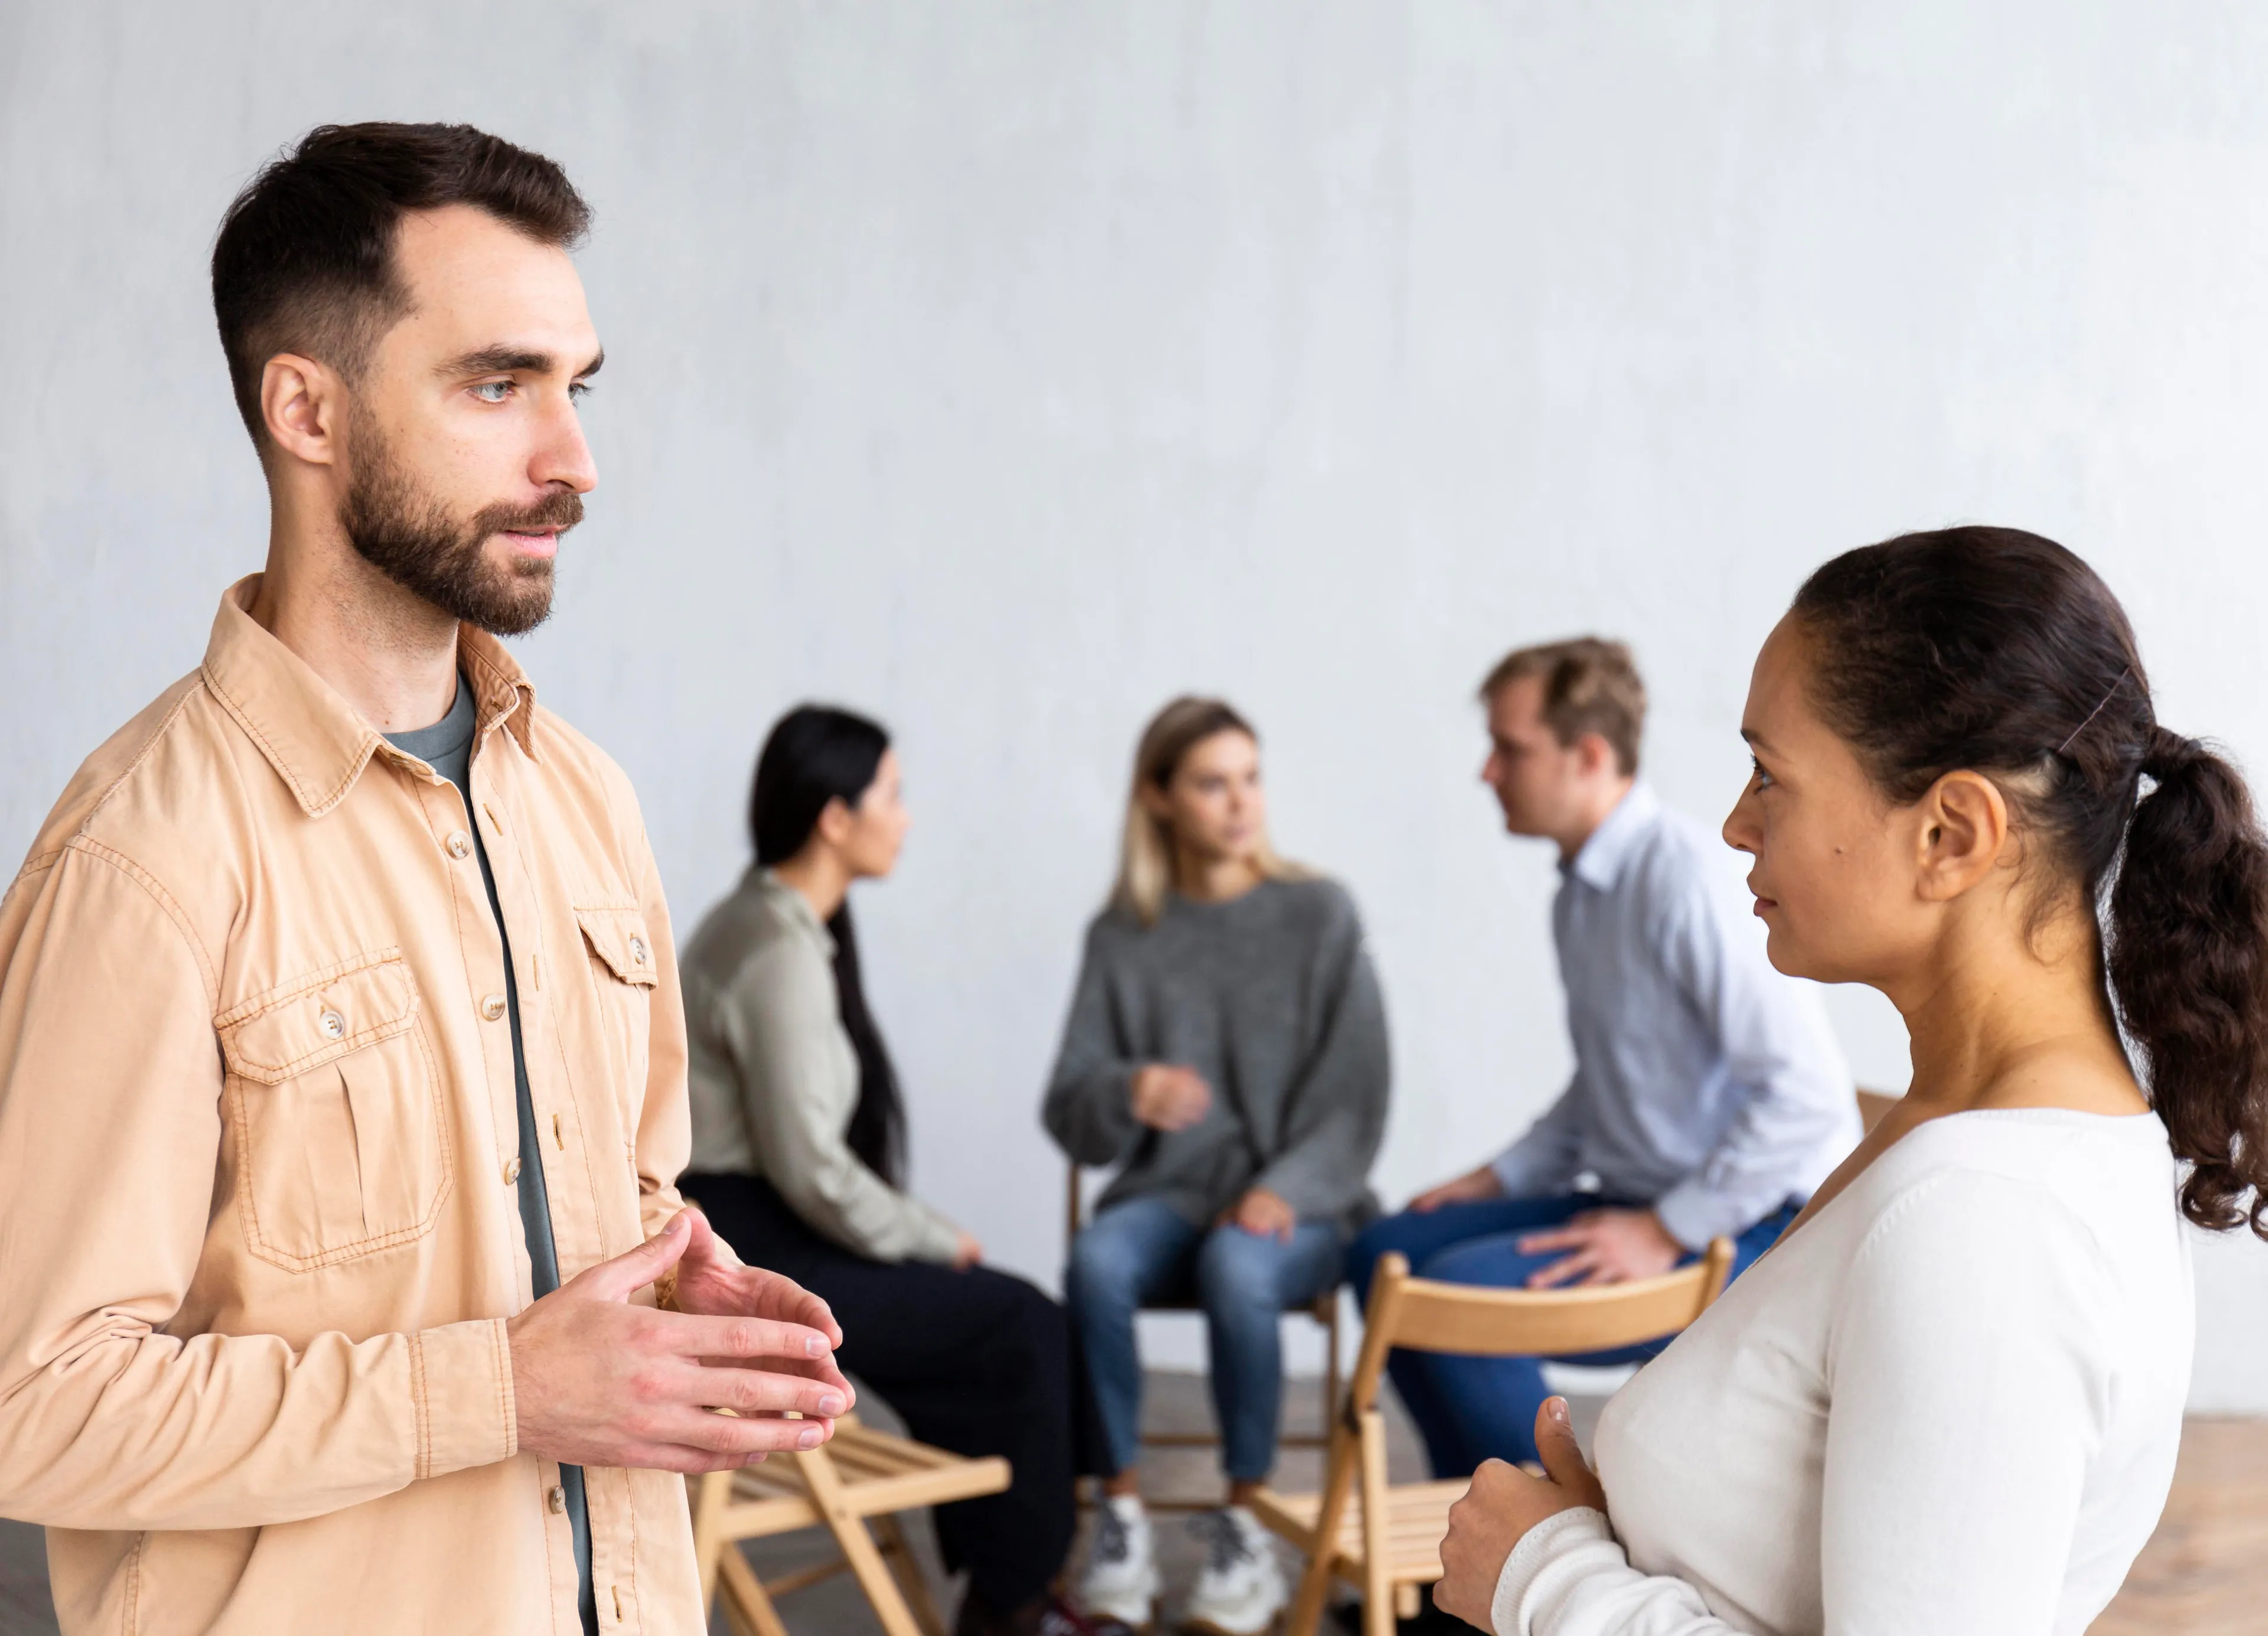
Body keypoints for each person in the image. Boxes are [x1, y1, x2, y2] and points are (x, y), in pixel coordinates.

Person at [0, 124, 854, 1635]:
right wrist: (501, 1389)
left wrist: (670, 1283)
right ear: (306, 408)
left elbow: (616, 1196)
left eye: (575, 387)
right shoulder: (139, 862)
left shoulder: (586, 799)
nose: (573, 459)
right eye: (496, 383)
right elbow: (36, 1408)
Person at [1434, 526, 2256, 1635]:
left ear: (1951, 832)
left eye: (1770, 774)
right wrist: (1602, 1534)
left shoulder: (1987, 1221)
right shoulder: (1948, 1132)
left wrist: (1546, 1577)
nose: (1734, 821)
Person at [1345, 639, 1859, 1479]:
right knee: (1382, 1249)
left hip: (1752, 1223)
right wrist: (1499, 1176)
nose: (1487, 772)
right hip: (1639, 1195)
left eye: (1509, 748)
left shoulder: (1684, 879)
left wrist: (1666, 1229)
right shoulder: (1584, 892)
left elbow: (1804, 1096)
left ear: (1587, 755)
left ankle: (1544, 1561)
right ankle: (1463, 1548)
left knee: (1454, 1298)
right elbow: (1609, 1082)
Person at [679, 705, 1111, 1636]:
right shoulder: (773, 950)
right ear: (835, 817)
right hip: (754, 1244)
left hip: (766, 1225)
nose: (906, 817)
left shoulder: (781, 923)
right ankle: (1014, 1601)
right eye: (893, 795)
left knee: (1015, 1324)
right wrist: (931, 1235)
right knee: (1023, 1325)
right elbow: (814, 1172)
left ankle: (1019, 1581)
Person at [1046, 696, 1392, 1636]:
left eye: (1250, 776)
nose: (1241, 803)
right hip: (1168, 1193)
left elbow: (1357, 1096)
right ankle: (1120, 1521)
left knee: (1237, 1263)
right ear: (1159, 799)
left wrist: (1284, 1187)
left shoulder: (1319, 912)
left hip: (1299, 1202)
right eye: (1212, 782)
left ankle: (1245, 1532)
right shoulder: (1124, 934)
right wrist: (1129, 1090)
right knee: (1097, 1263)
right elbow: (1070, 1108)